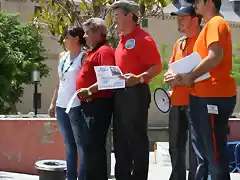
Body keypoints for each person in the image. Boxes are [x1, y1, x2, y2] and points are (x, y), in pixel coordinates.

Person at [176, 0, 237, 180]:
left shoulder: (215, 23)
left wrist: (191, 76)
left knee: (214, 155)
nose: (194, 3)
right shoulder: (210, 25)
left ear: (209, 2)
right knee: (207, 154)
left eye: (197, 1)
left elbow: (214, 56)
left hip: (212, 97)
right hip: (203, 96)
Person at [110, 1, 162, 180]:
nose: (114, 20)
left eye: (117, 15)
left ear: (130, 16)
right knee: (120, 139)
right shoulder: (121, 40)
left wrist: (139, 78)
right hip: (120, 94)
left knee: (136, 139)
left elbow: (157, 66)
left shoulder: (143, 38)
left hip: (136, 93)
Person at [76, 17, 115, 180]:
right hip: (89, 105)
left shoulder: (104, 51)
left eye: (86, 33)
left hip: (98, 105)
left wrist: (89, 91)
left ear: (98, 33)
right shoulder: (94, 51)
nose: (84, 36)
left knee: (94, 148)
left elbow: (110, 79)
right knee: (89, 147)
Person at [164, 6, 200, 180]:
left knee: (195, 148)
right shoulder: (179, 43)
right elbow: (170, 68)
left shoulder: (202, 41)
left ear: (195, 19)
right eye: (177, 17)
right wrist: (169, 76)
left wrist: (180, 78)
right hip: (176, 101)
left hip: (195, 100)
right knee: (175, 146)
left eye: (182, 17)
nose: (178, 20)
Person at [48, 26, 86, 180]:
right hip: (60, 106)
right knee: (69, 146)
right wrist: (53, 102)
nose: (64, 40)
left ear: (77, 39)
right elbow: (59, 81)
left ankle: (82, 177)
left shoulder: (84, 57)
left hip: (75, 106)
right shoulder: (62, 56)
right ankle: (70, 177)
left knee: (81, 146)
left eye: (67, 37)